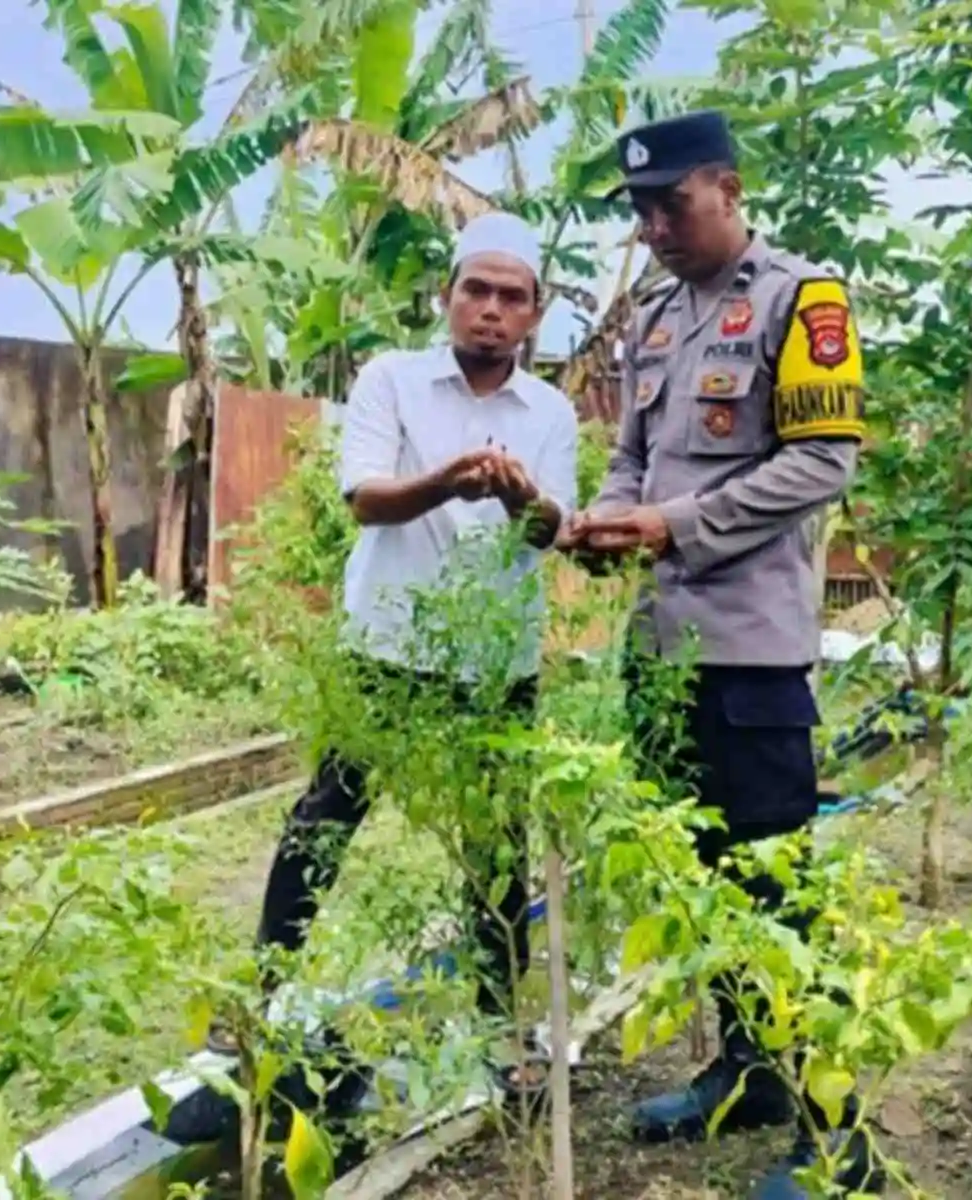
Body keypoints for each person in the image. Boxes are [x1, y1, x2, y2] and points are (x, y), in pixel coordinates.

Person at [553, 110, 876, 1199]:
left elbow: (824, 461)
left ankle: (837, 1138)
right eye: (640, 211)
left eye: (671, 205)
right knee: (702, 885)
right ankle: (750, 1074)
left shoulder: (801, 299)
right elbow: (632, 458)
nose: (652, 228)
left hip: (751, 658)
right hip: (661, 654)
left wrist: (673, 526)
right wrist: (609, 520)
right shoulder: (652, 318)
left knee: (778, 892)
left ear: (728, 189)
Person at [223, 212, 579, 1103]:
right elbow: (366, 498)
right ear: (445, 297)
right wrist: (446, 480)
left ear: (534, 314)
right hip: (385, 651)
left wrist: (518, 497)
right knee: (324, 821)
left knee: (495, 846)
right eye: (475, 291)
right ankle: (260, 998)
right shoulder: (389, 379)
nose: (491, 310)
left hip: (494, 663)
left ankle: (501, 1030)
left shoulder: (550, 412)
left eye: (511, 297)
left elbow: (553, 531)